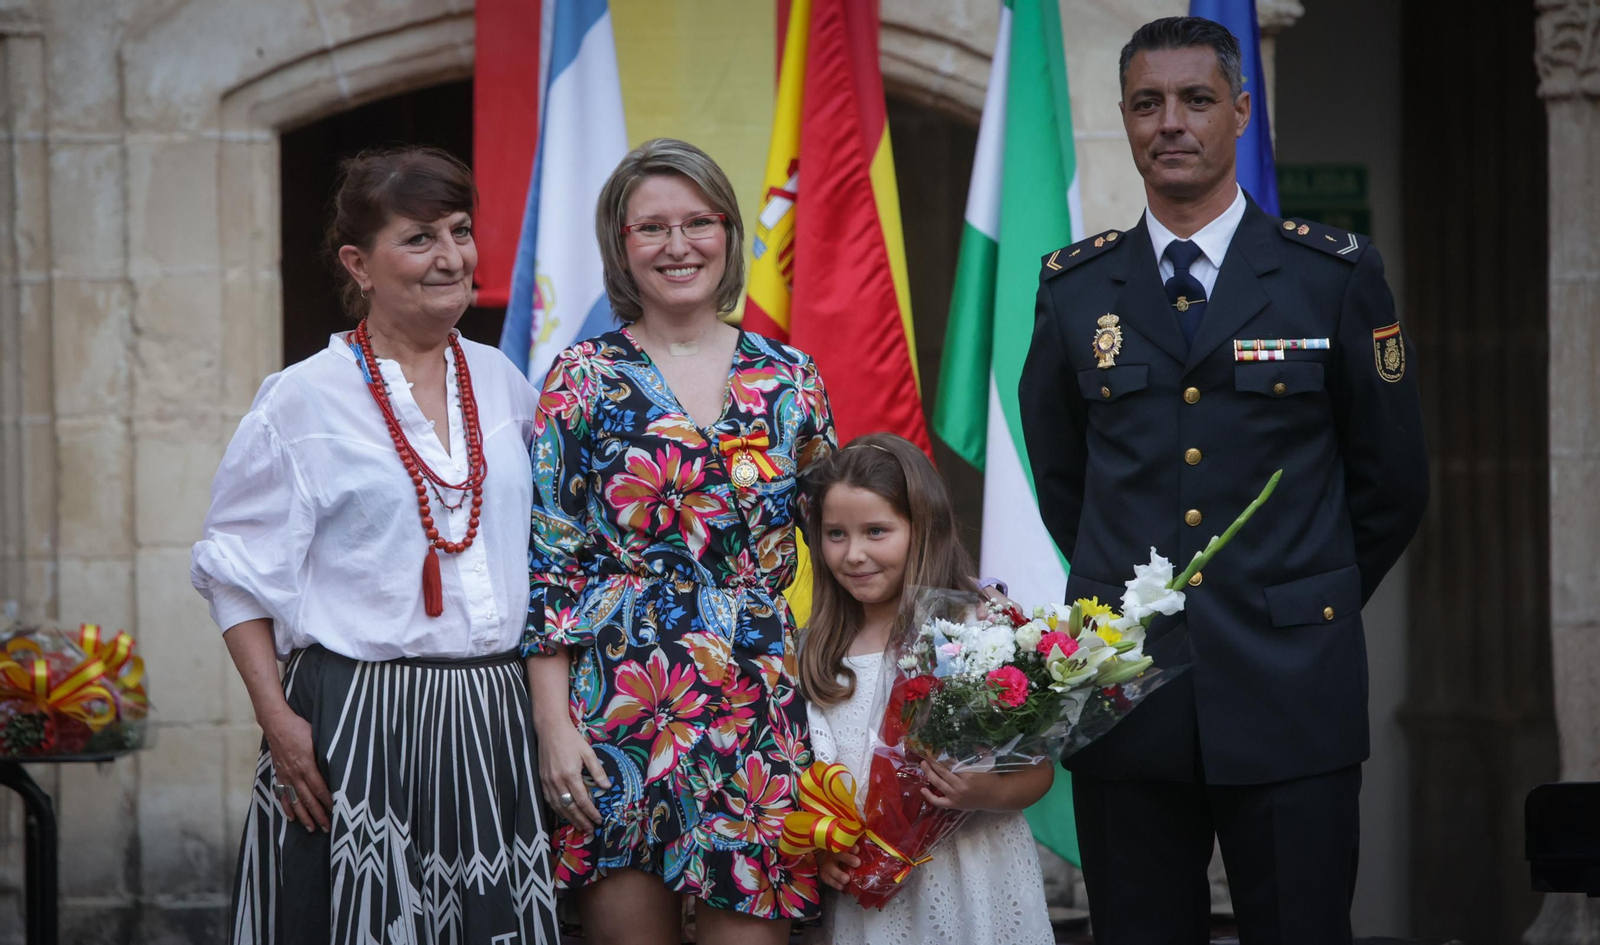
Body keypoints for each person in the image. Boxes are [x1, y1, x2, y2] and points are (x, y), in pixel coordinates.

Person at [1019, 16, 1427, 945]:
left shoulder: (1332, 276)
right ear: (1124, 118)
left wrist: (1304, 594)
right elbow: (1061, 474)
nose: (1172, 122)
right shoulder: (1077, 288)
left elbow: (1392, 479)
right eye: (1148, 103)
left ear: (1240, 112)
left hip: (1294, 687)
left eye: (1196, 100)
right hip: (1129, 692)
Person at [191, 147, 559, 944]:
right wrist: (279, 720)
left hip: (494, 715)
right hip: (357, 721)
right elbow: (235, 572)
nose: (452, 257)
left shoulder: (505, 383)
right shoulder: (301, 399)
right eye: (421, 238)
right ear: (358, 263)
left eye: (461, 232)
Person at [522, 138, 835, 945]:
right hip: (620, 705)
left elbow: (843, 546)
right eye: (651, 227)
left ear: (730, 234)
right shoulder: (581, 377)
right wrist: (555, 729)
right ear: (621, 247)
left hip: (757, 703)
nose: (678, 244)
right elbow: (550, 563)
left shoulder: (791, 379)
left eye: (700, 221)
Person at [795, 433, 1055, 945]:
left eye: (876, 531)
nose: (853, 555)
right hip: (870, 892)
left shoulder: (974, 632)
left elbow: (1039, 772)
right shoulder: (814, 649)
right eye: (835, 534)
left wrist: (984, 792)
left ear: (923, 528)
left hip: (974, 873)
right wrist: (824, 848)